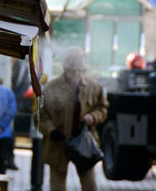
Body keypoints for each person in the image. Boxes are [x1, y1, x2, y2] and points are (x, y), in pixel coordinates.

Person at [39, 47, 109, 191]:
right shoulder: (51, 88)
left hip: (85, 145)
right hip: (58, 145)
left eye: (79, 71)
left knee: (90, 186)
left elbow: (103, 108)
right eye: (72, 71)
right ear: (65, 68)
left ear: (83, 69)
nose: (75, 75)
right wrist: (51, 131)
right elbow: (40, 115)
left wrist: (93, 117)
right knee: (57, 187)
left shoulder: (94, 87)